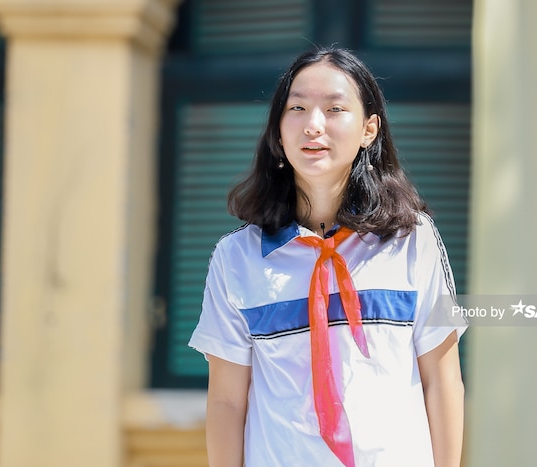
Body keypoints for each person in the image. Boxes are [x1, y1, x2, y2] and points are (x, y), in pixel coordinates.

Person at [189, 46, 468, 467]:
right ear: (278, 132)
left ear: (369, 130)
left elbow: (442, 380)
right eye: (297, 108)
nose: (313, 125)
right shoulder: (236, 259)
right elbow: (227, 401)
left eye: (335, 109)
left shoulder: (413, 239)